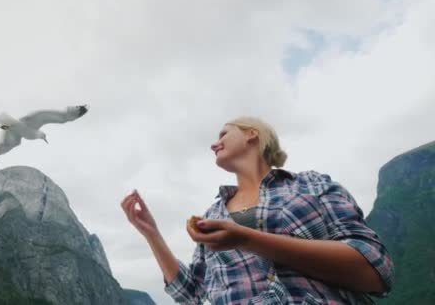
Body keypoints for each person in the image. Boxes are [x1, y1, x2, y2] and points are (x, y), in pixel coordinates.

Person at [121, 116, 394, 304]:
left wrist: (245, 239)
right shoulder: (214, 214)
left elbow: (375, 269)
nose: (213, 144)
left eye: (223, 134)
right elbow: (190, 292)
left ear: (252, 134)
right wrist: (151, 233)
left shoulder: (311, 185)